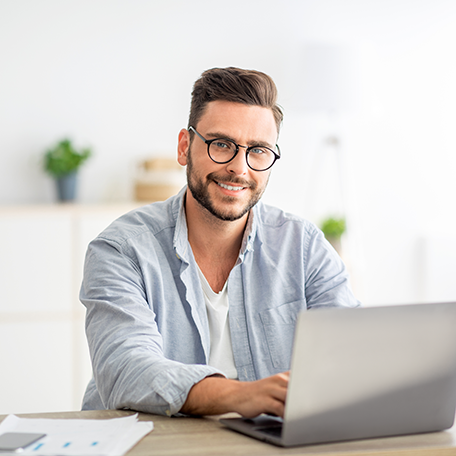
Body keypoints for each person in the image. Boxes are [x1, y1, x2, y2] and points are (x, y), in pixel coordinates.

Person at [80, 67, 359, 418]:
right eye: (222, 144)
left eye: (258, 150)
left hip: (267, 443)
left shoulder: (304, 247)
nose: (239, 168)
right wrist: (240, 396)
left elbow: (350, 357)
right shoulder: (121, 250)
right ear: (185, 147)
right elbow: (125, 369)